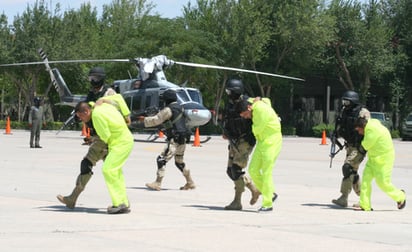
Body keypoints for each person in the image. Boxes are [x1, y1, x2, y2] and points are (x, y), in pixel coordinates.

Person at [57, 67, 125, 209]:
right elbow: (87, 110)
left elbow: (112, 112)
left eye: (94, 78)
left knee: (88, 164)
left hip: (106, 136)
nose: (92, 81)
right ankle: (120, 201)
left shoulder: (109, 93)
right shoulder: (92, 94)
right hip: (100, 135)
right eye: (90, 79)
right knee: (113, 172)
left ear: (101, 78)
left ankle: (73, 198)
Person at [73, 101, 134, 214]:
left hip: (119, 143)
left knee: (108, 170)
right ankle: (123, 202)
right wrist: (126, 115)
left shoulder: (96, 116)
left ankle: (119, 204)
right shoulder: (101, 105)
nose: (81, 119)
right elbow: (118, 98)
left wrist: (92, 140)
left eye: (81, 116)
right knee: (116, 172)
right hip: (125, 140)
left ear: (86, 111)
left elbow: (105, 136)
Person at [138, 89, 194, 191]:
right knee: (179, 162)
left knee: (161, 159)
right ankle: (190, 182)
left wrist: (143, 120)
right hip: (183, 138)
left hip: (174, 139)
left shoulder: (168, 109)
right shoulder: (181, 108)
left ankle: (158, 183)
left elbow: (156, 120)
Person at [237, 97, 282, 212]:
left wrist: (250, 128)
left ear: (249, 108)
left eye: (245, 114)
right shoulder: (255, 104)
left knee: (266, 172)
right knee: (253, 169)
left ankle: (268, 204)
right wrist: (259, 98)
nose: (246, 117)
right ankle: (270, 193)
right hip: (262, 142)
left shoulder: (260, 110)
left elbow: (257, 129)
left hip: (272, 141)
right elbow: (262, 99)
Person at [221, 79, 260, 211]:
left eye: (229, 91)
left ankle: (237, 202)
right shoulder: (231, 104)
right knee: (230, 171)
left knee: (236, 170)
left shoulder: (246, 103)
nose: (228, 93)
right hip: (234, 140)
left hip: (244, 140)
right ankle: (254, 189)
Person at [354, 117, 406, 211]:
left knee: (383, 183)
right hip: (373, 158)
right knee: (366, 180)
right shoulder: (370, 124)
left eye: (359, 130)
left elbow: (364, 146)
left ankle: (400, 196)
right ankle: (365, 205)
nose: (358, 133)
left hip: (384, 159)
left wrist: (357, 144)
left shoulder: (372, 131)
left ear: (363, 127)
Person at [331, 90, 370, 207]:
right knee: (351, 171)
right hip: (349, 146)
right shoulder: (344, 111)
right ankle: (351, 198)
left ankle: (355, 197)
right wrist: (335, 135)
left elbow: (367, 130)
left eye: (347, 101)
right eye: (344, 101)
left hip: (359, 146)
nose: (345, 104)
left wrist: (364, 147)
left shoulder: (363, 112)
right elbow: (342, 126)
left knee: (348, 168)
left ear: (353, 101)